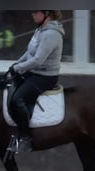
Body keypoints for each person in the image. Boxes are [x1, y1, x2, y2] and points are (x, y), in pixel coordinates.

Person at [8, 10, 65, 153]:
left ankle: (26, 139)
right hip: (34, 72)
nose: (32, 14)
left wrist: (18, 68)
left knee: (18, 98)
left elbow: (38, 60)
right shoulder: (40, 30)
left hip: (45, 77)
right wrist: (16, 65)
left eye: (35, 12)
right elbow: (29, 52)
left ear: (47, 13)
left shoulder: (51, 34)